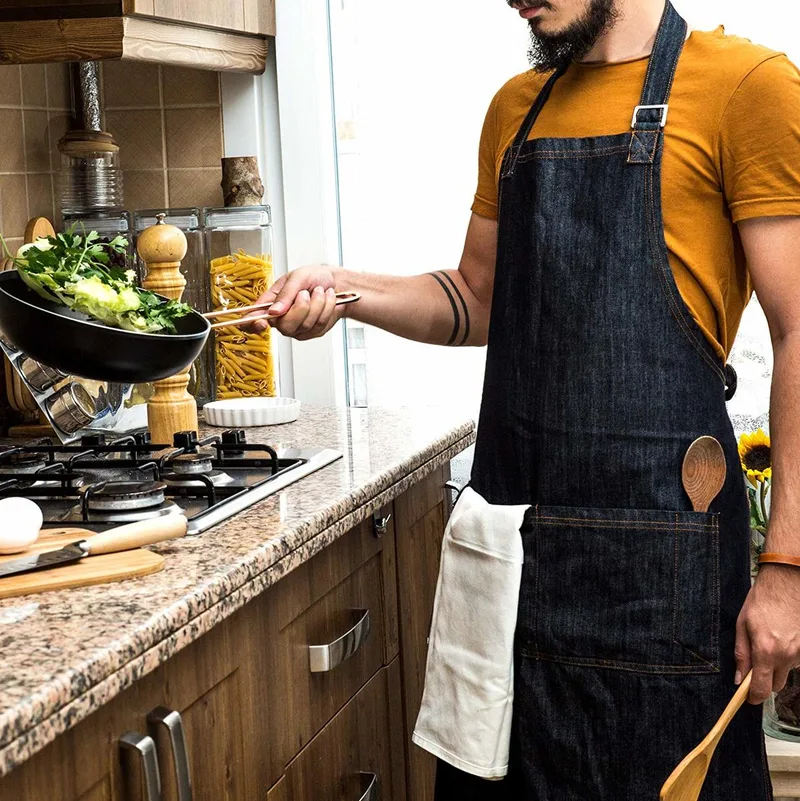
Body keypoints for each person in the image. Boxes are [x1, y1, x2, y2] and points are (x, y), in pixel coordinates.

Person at [251, 0, 800, 797]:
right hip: (512, 565)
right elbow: (476, 297)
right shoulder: (517, 107)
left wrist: (786, 567)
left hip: (659, 577)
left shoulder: (748, 87)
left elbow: (796, 330)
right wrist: (342, 290)